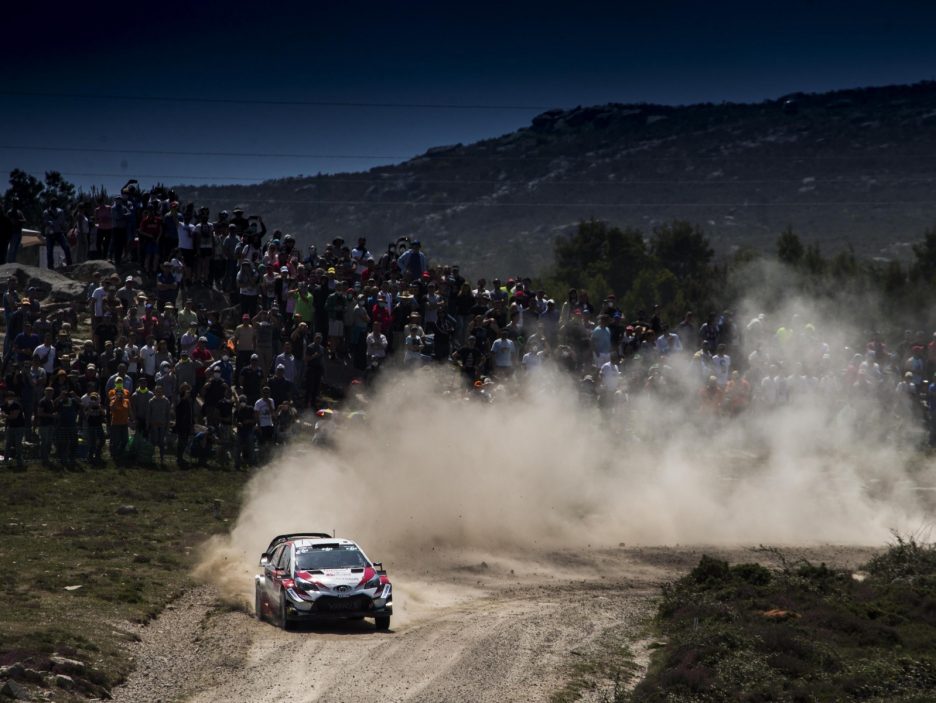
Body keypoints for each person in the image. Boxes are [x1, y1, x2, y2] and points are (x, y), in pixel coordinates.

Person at [146, 384, 172, 466]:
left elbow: (168, 414)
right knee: (153, 441)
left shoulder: (166, 401)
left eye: (160, 391)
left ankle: (162, 458)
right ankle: (150, 458)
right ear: (155, 392)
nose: (159, 393)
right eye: (157, 391)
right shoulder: (151, 401)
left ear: (162, 392)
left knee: (162, 442)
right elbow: (148, 414)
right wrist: (148, 424)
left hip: (163, 424)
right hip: (154, 424)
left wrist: (168, 425)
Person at [3, 390, 27, 470]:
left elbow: (14, 416)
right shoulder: (6, 405)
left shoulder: (16, 405)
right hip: (11, 426)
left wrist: (4, 415)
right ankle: (6, 461)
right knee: (8, 444)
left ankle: (20, 462)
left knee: (17, 444)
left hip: (19, 426)